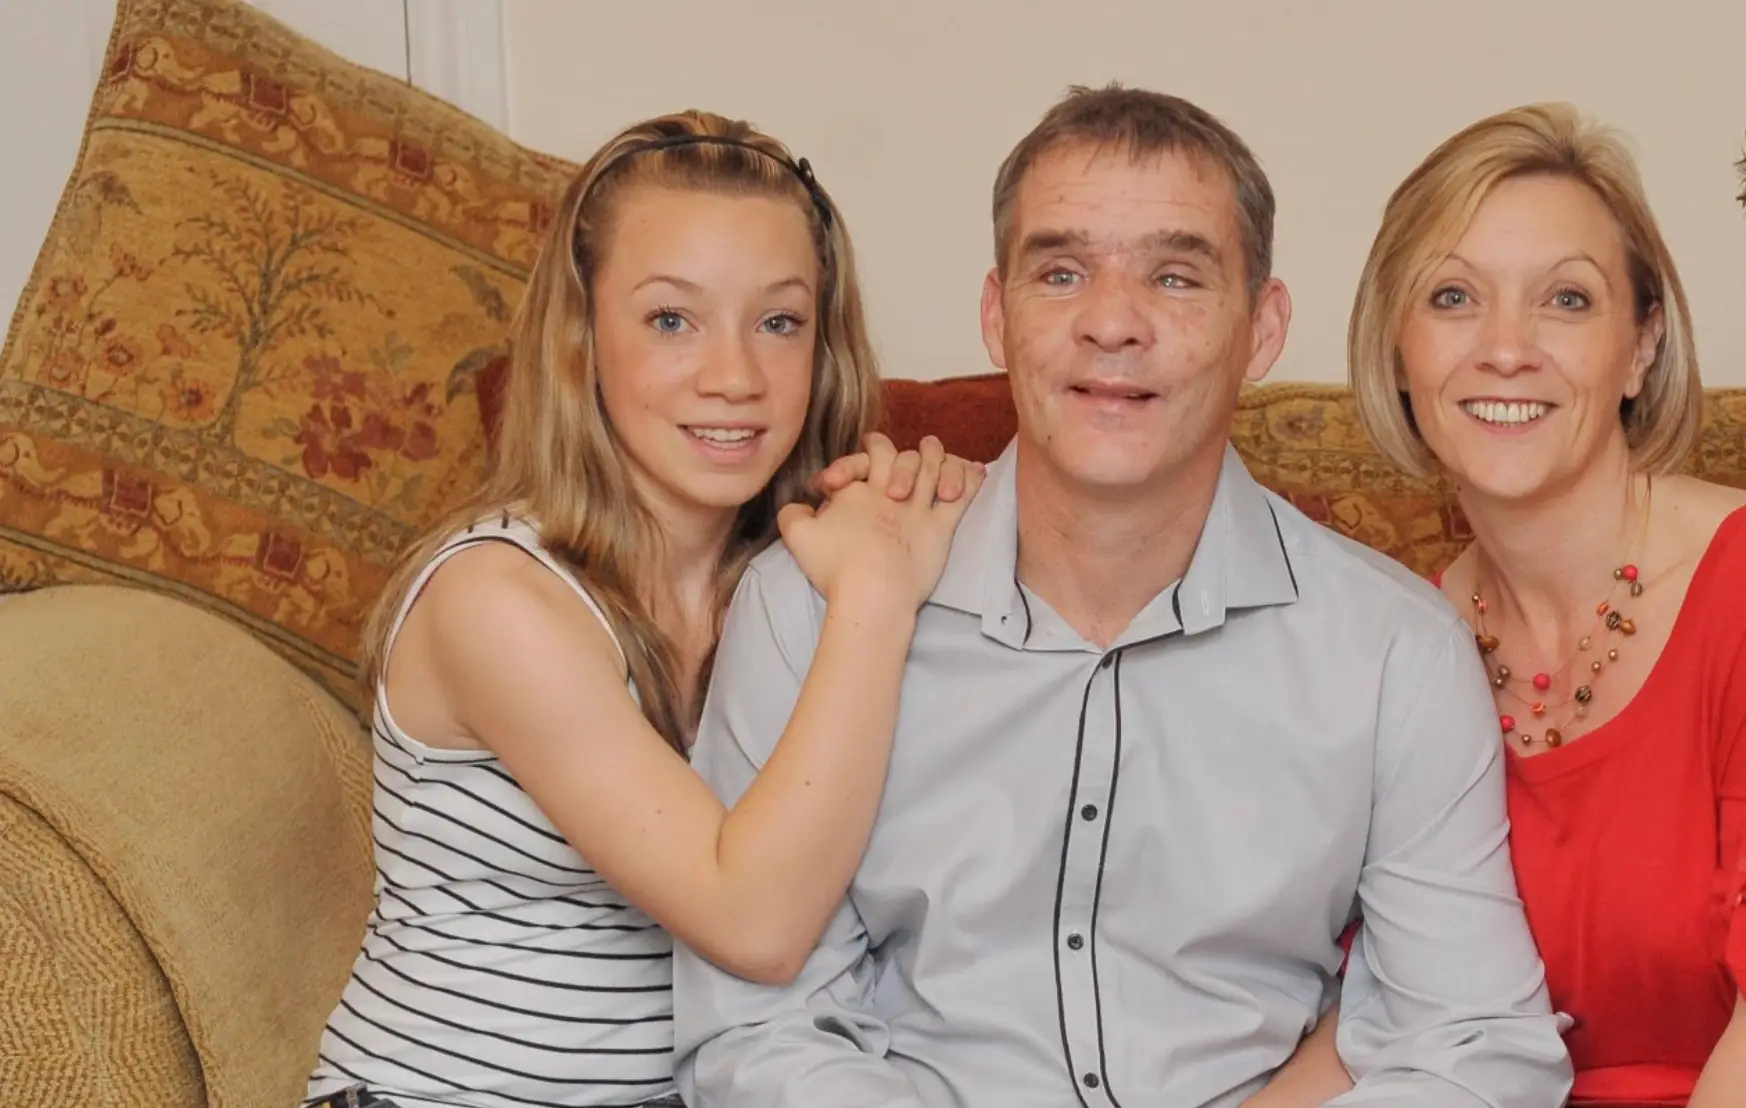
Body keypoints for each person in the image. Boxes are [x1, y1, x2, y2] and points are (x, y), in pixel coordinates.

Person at [671, 83, 1572, 1108]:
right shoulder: (809, 609)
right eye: (1061, 271)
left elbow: (1473, 1045)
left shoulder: (1393, 649)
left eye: (1177, 276)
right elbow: (756, 1034)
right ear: (997, 317)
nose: (1113, 322)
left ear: (1263, 328)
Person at [301, 110, 985, 1108]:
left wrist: (950, 521)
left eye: (779, 321)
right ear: (581, 341)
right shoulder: (497, 598)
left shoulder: (797, 580)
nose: (736, 377)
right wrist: (879, 594)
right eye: (672, 319)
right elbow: (753, 920)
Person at [1287, 103, 1746, 1107]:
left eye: (1566, 301)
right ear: (1399, 352)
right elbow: (1376, 1024)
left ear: (1641, 347)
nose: (1505, 349)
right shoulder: (1394, 640)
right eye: (1453, 296)